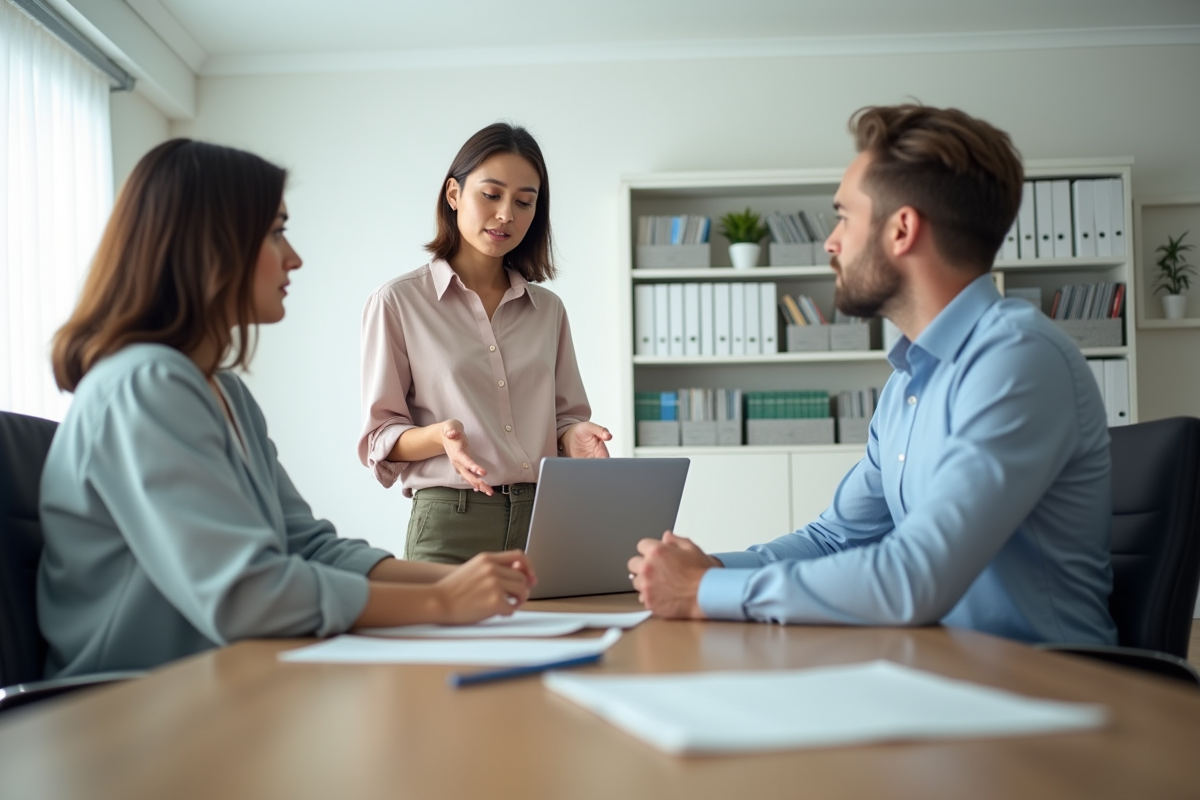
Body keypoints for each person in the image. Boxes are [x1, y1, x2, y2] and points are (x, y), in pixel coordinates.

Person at [39, 139, 536, 679]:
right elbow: (245, 593)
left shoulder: (226, 394)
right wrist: (442, 602)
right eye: (276, 232)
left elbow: (307, 546)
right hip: (130, 700)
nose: (293, 257)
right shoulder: (144, 386)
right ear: (209, 245)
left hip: (214, 680)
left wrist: (463, 581)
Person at [628, 104, 1118, 646]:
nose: (830, 243)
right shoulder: (908, 380)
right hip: (942, 665)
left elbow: (914, 577)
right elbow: (835, 539)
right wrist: (708, 570)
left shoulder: (1017, 359)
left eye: (844, 216)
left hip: (1044, 680)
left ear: (902, 230)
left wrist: (702, 590)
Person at [358, 122, 610, 564]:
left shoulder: (548, 310)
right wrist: (441, 437)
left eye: (524, 202)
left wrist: (575, 435)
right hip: (451, 523)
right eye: (491, 195)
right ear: (453, 194)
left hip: (544, 518)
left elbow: (564, 419)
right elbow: (380, 437)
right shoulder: (398, 302)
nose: (506, 214)